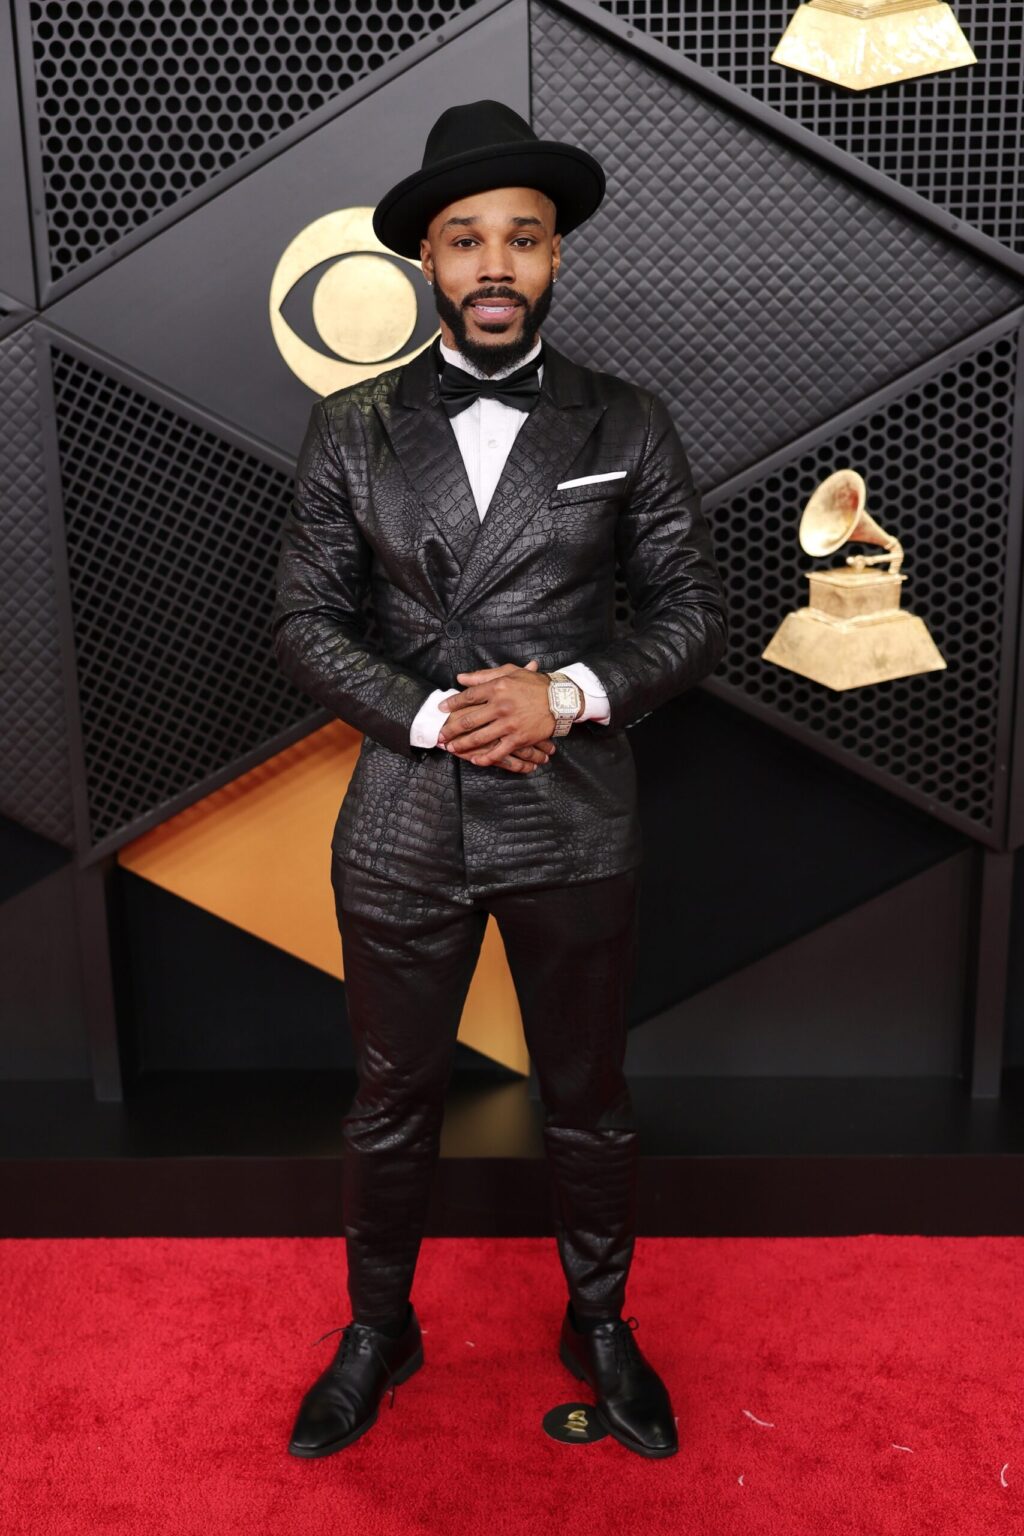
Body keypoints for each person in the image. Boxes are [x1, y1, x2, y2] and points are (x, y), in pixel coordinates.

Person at [272, 99, 727, 1461]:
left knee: (586, 1095)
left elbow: (692, 612)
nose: (493, 265)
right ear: (425, 260)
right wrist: (434, 717)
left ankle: (599, 1321)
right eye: (465, 239)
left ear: (555, 259)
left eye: (521, 241)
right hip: (405, 815)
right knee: (390, 1094)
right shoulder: (353, 428)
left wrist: (568, 695)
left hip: (574, 812)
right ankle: (378, 1329)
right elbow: (302, 621)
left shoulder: (627, 418)